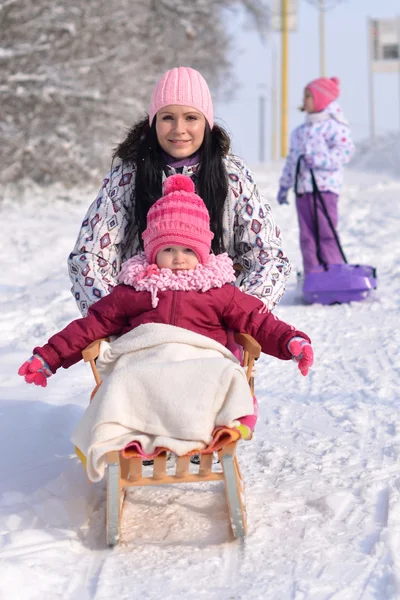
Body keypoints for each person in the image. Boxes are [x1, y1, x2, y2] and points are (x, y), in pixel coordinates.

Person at [19, 175, 313, 479]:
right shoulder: (133, 290)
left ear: (202, 253)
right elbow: (91, 325)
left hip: (201, 360)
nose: (178, 258)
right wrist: (49, 357)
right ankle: (133, 438)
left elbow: (257, 319)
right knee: (122, 380)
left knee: (226, 374)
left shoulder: (218, 291)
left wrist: (291, 341)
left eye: (188, 250)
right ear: (152, 251)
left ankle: (221, 428)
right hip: (147, 358)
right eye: (168, 249)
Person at [68, 66, 291, 319]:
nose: (179, 129)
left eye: (191, 118)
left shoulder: (233, 176)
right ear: (153, 122)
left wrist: (240, 315)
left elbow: (269, 256)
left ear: (206, 122)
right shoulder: (126, 178)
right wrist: (117, 316)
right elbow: (88, 257)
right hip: (140, 323)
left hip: (215, 324)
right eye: (167, 118)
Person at [277, 76, 355, 275]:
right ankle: (314, 274)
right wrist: (285, 186)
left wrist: (320, 159)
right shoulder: (300, 132)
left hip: (325, 189)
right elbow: (292, 161)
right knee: (307, 235)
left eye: (308, 96)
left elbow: (345, 152)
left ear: (322, 99)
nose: (304, 101)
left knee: (326, 232)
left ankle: (334, 271)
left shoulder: (335, 127)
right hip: (303, 190)